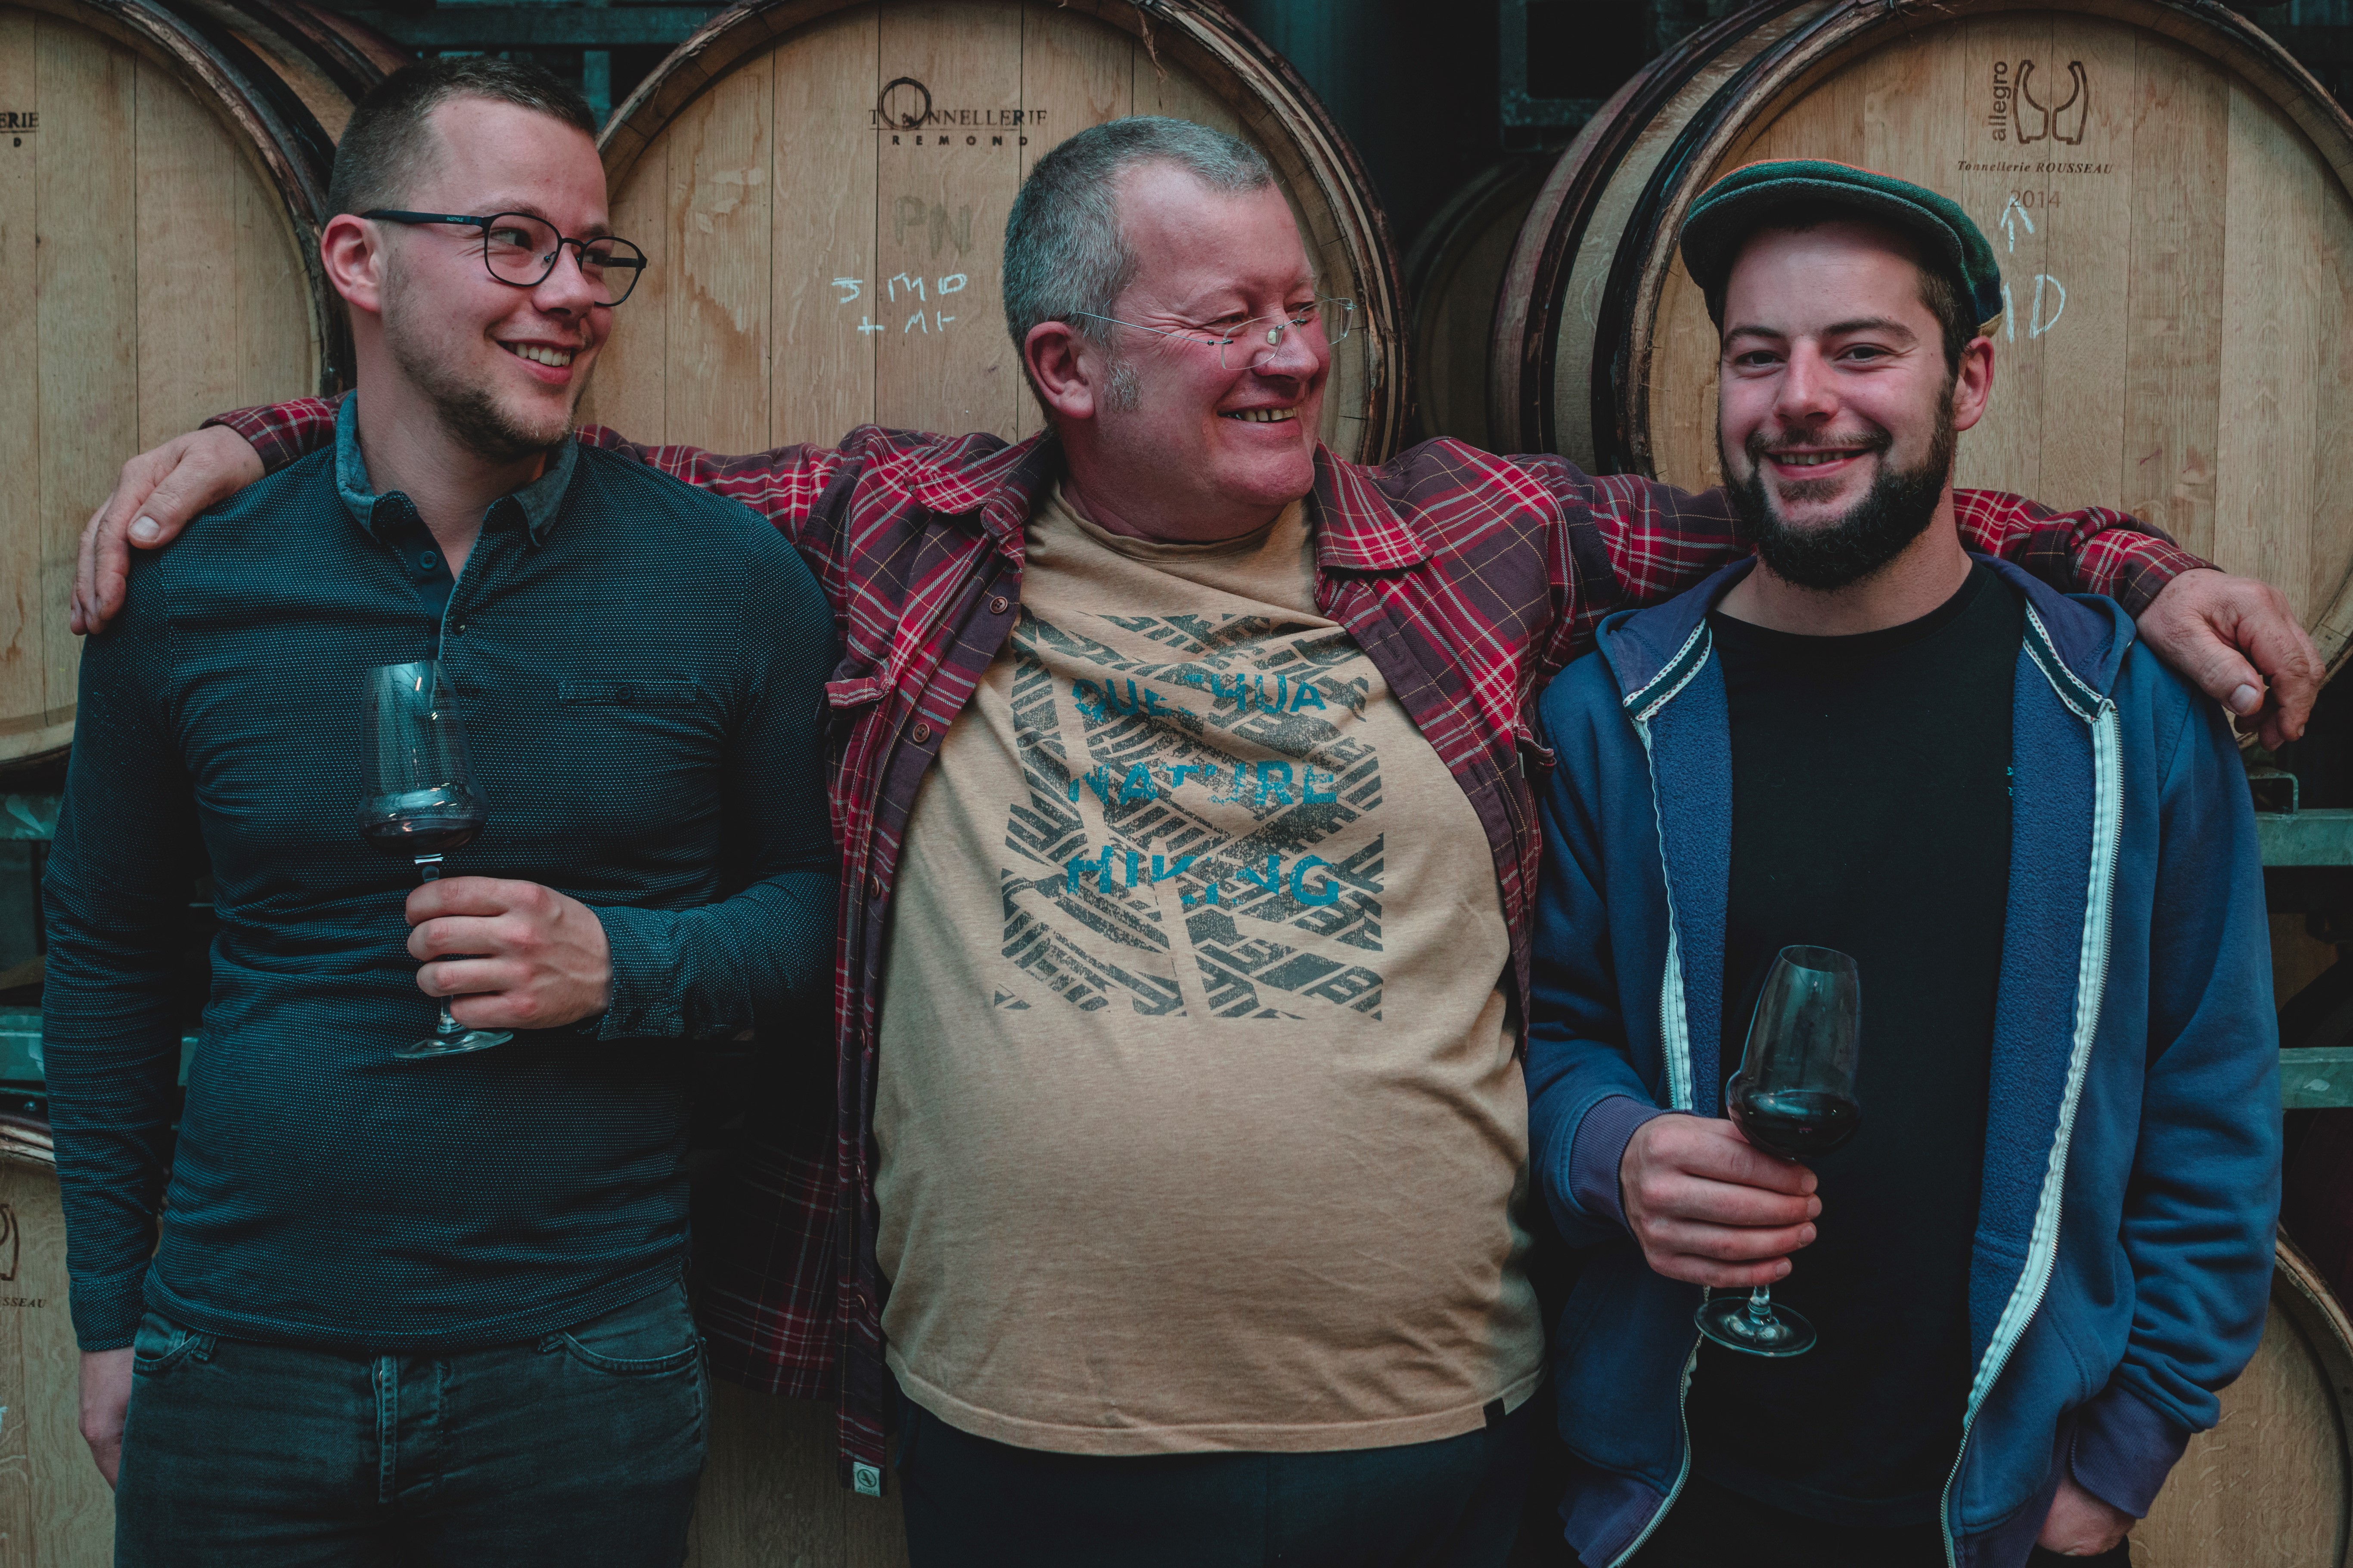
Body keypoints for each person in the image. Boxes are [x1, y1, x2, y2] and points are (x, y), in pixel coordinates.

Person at [69, 122, 2309, 1565]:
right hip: (1017, 1436)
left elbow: (1817, 488)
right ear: (1065, 363)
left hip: (1429, 1434)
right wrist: (277, 428)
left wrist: (2128, 564)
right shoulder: (888, 528)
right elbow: (537, 456)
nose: (1294, 355)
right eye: (1227, 316)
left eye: (1302, 307)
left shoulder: (1477, 532)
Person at [40, 59, 835, 1564]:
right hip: (237, 1352)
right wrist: (108, 1318)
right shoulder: (193, 586)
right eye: (514, 241)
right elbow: (107, 950)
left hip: (582, 1358)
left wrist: (624, 963)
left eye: (592, 252)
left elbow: (814, 912)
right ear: (359, 258)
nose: (573, 293)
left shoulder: (728, 583)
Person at [1523, 161, 2279, 1568]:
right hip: (1679, 1500)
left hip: (2003, 1513)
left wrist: (2124, 1455)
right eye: (1758, 357)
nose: (1801, 397)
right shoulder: (1614, 714)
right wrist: (1610, 1150)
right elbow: (1545, 1034)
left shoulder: (2124, 718)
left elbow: (2211, 1093)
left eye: (1861, 350)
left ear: (1968, 378)